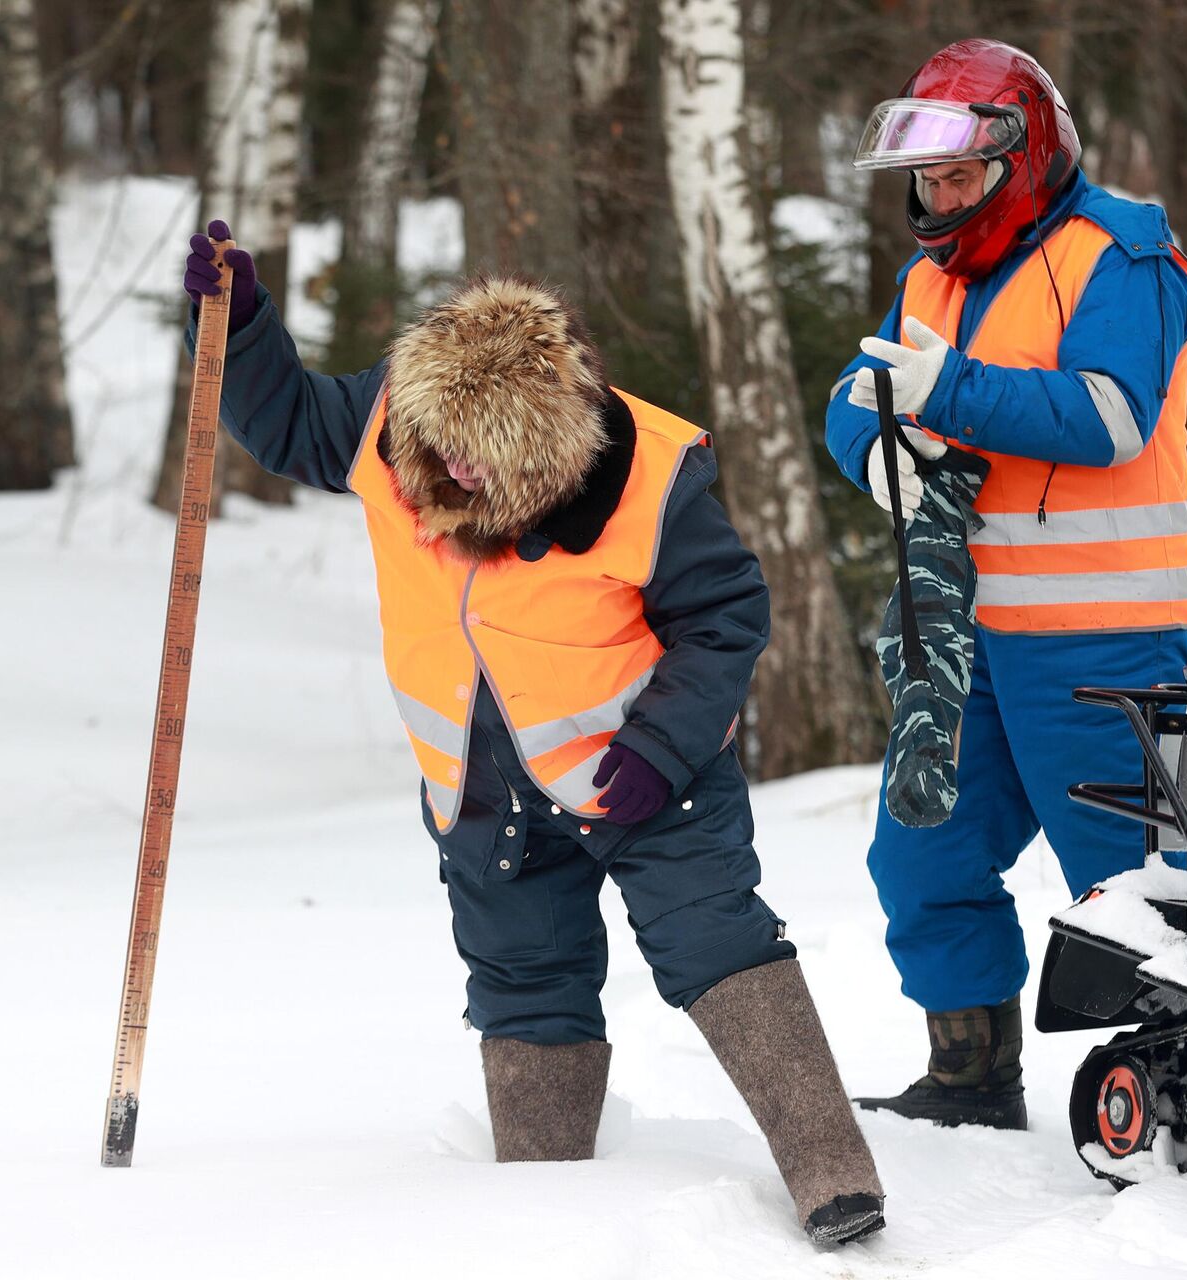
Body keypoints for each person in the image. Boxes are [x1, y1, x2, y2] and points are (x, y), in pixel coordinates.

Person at [182, 224, 885, 1244]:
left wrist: (657, 749)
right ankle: (538, 1204)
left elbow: (725, 615)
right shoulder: (393, 422)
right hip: (478, 784)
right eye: (446, 447)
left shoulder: (647, 473)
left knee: (716, 940)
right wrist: (241, 323)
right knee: (525, 978)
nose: (457, 469)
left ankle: (833, 1166)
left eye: (484, 458)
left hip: (645, 774)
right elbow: (287, 419)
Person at [825, 39, 1187, 1130]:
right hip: (965, 635)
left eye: (959, 178)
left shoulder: (1122, 253)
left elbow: (1111, 413)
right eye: (927, 181)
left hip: (1102, 636)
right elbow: (861, 388)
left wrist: (954, 389)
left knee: (1128, 883)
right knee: (921, 846)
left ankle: (1186, 1093)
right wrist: (875, 449)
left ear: (1023, 159)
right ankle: (969, 1076)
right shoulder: (928, 278)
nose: (939, 200)